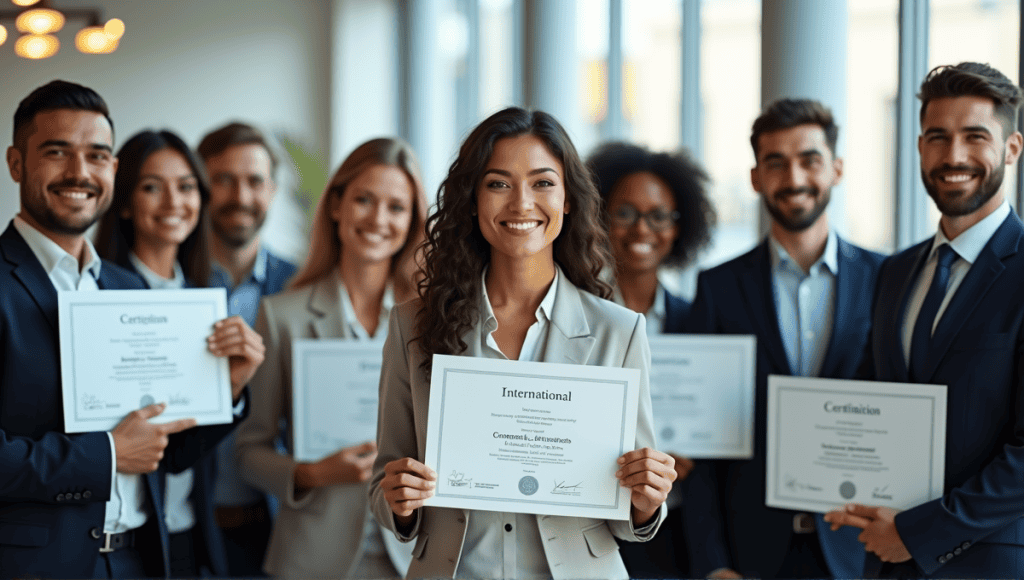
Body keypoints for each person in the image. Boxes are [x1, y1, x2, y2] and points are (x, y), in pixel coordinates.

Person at [369, 107, 676, 579]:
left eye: (542, 183)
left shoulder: (621, 331)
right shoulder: (412, 326)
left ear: (569, 198)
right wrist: (400, 501)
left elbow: (631, 515)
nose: (521, 203)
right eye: (498, 184)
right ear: (471, 200)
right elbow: (384, 480)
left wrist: (646, 502)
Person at [0, 80, 263, 578]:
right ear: (16, 164)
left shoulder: (126, 288)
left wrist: (227, 388)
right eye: (57, 152)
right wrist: (107, 453)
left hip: (141, 560)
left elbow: (166, 451)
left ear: (112, 172)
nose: (79, 172)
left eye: (96, 155)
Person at [824, 62, 1024, 578]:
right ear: (919, 147)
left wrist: (919, 534)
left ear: (1012, 148)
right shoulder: (896, 272)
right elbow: (877, 400)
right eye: (938, 137)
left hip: (985, 562)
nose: (953, 156)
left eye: (975, 137)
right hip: (884, 559)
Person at [684, 98, 885, 579]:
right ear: (756, 178)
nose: (794, 178)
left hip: (859, 551)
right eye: (776, 163)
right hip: (749, 555)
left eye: (809, 160)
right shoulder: (718, 288)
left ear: (836, 169)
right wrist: (713, 565)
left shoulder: (888, 280)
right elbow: (701, 444)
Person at [236, 137, 427, 578]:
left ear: (411, 221)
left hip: (414, 554)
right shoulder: (281, 316)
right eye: (364, 199)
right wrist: (313, 473)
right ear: (337, 205)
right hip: (311, 558)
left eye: (396, 207)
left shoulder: (433, 323)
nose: (379, 219)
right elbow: (248, 452)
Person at [94, 129, 227, 577]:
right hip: (119, 531)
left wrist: (238, 382)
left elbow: (192, 442)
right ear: (125, 202)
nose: (174, 201)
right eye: (152, 186)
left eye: (186, 186)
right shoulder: (91, 292)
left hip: (185, 524)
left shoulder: (211, 292)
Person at [587, 141, 716, 578]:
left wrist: (693, 449)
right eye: (625, 212)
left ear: (679, 227)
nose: (642, 228)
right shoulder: (577, 319)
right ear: (601, 219)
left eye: (659, 215)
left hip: (678, 532)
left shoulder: (697, 320)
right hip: (591, 521)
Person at [197, 121, 298, 575]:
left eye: (254, 181)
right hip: (190, 529)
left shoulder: (301, 288)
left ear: (272, 190)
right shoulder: (169, 288)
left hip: (279, 525)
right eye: (223, 180)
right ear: (201, 188)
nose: (241, 196)